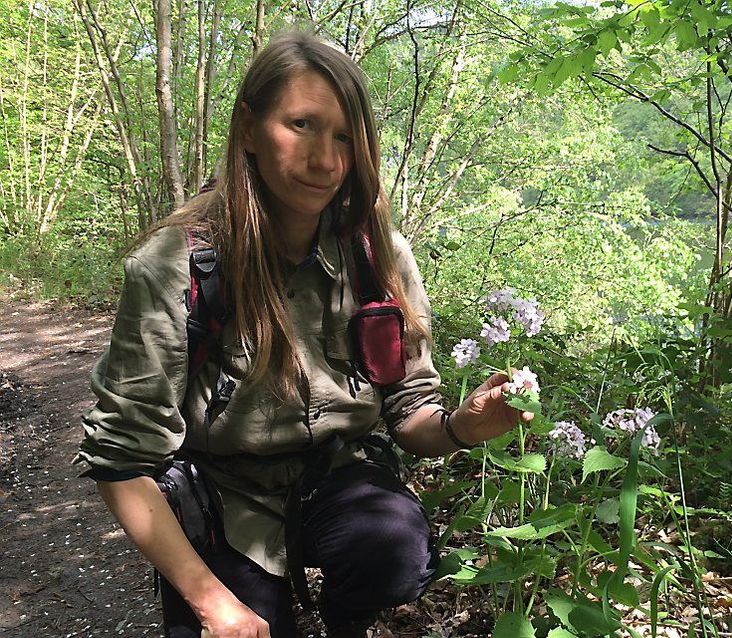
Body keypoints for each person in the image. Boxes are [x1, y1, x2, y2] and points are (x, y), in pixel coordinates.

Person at [75, 31, 529, 638]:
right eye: (302, 125)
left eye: (345, 136)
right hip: (223, 495)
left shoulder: (378, 257)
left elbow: (409, 409)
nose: (327, 161)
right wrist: (214, 603)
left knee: (391, 552)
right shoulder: (175, 266)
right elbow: (121, 462)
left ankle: (342, 620)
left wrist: (461, 429)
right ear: (247, 130)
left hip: (339, 475)